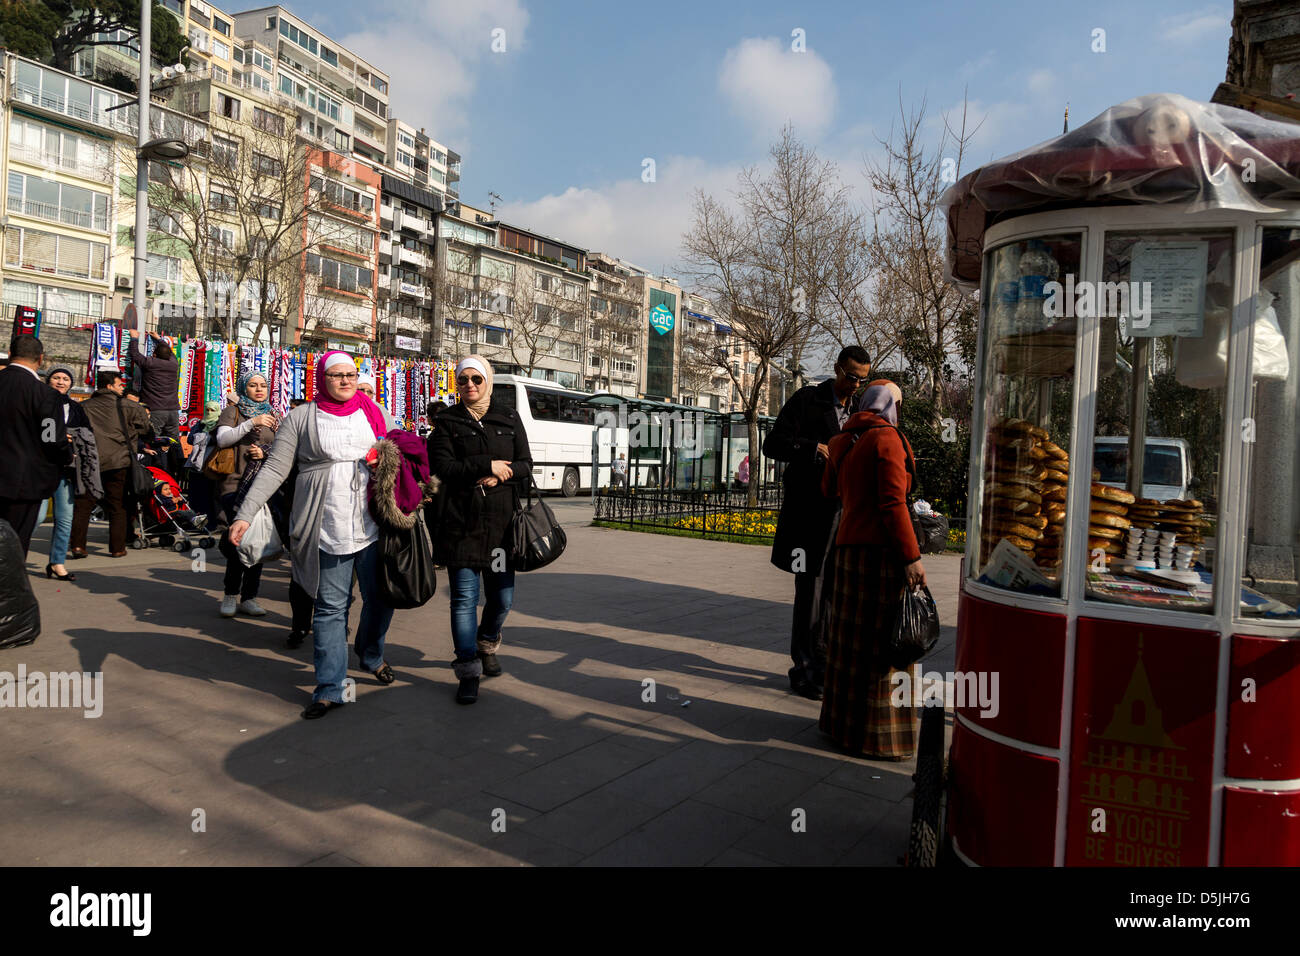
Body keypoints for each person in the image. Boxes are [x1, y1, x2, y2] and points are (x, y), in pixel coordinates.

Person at [229, 352, 400, 719]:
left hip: (374, 527)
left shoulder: (375, 413)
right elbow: (275, 468)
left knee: (381, 600)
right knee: (330, 610)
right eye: (336, 375)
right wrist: (246, 513)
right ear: (322, 379)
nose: (345, 381)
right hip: (326, 527)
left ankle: (369, 654)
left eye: (351, 374)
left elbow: (403, 453)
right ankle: (328, 687)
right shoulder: (302, 417)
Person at [819, 381, 926, 760]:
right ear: (889, 405)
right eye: (898, 403)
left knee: (848, 647)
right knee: (885, 646)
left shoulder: (842, 440)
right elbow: (893, 504)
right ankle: (880, 738)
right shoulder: (888, 440)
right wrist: (911, 557)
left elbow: (830, 491)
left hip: (847, 553)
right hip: (880, 556)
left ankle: (840, 727)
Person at [762, 345, 872, 700]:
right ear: (838, 369)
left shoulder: (858, 409)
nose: (856, 385)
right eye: (852, 377)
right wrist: (813, 448)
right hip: (809, 515)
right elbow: (773, 444)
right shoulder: (808, 399)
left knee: (833, 594)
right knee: (810, 591)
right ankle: (805, 671)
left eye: (863, 380)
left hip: (843, 514)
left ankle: (824, 664)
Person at [428, 355, 532, 705]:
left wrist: (505, 472)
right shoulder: (446, 422)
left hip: (501, 528)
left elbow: (525, 465)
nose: (469, 385)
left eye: (476, 379)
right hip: (461, 525)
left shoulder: (509, 417)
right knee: (463, 601)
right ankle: (468, 670)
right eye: (463, 380)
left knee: (502, 598)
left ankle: (487, 642)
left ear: (488, 380)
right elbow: (441, 467)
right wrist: (484, 465)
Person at [212, 373, 280, 618]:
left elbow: (280, 448)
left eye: (263, 385)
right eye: (253, 385)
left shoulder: (273, 414)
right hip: (234, 483)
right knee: (238, 540)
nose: (259, 389)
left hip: (261, 486)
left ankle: (250, 597)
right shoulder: (234, 412)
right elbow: (222, 439)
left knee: (257, 540)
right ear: (244, 388)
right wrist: (252, 423)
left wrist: (265, 453)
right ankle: (230, 594)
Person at [0, 336, 69, 554]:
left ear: (10, 355)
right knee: (15, 544)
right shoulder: (44, 394)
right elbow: (51, 439)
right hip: (24, 482)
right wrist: (67, 457)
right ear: (40, 359)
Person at [74, 370, 151, 557]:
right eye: (119, 385)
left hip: (90, 459)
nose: (122, 388)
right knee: (118, 505)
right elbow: (146, 428)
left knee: (84, 503)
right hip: (119, 460)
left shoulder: (83, 406)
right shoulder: (128, 406)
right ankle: (117, 548)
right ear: (109, 386)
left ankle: (78, 545)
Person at [37, 366, 100, 580]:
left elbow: (88, 432)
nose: (61, 382)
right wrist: (59, 435)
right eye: (56, 377)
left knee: (65, 519)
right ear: (48, 381)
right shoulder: (40, 403)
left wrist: (76, 436)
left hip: (67, 470)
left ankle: (57, 563)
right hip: (41, 468)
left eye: (65, 379)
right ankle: (12, 560)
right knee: (35, 517)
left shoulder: (76, 408)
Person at [127, 330, 181, 473]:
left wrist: (134, 338)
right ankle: (177, 471)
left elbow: (134, 355)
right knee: (174, 442)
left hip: (156, 410)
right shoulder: (174, 364)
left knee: (152, 441)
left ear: (154, 354)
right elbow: (170, 352)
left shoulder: (149, 362)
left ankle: (155, 471)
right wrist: (159, 339)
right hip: (173, 411)